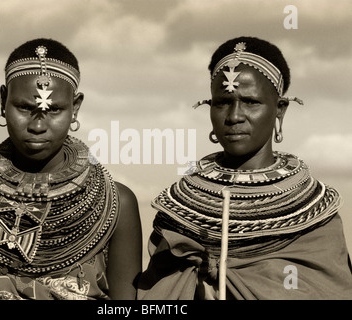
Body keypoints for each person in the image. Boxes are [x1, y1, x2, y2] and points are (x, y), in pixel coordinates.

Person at [137, 36, 352, 300]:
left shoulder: (314, 217)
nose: (234, 116)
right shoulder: (178, 213)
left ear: (280, 110)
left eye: (251, 102)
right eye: (222, 102)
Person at [0, 38, 142, 300]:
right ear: (3, 100)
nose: (38, 126)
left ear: (75, 108)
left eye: (54, 109)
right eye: (24, 107)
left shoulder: (116, 205)